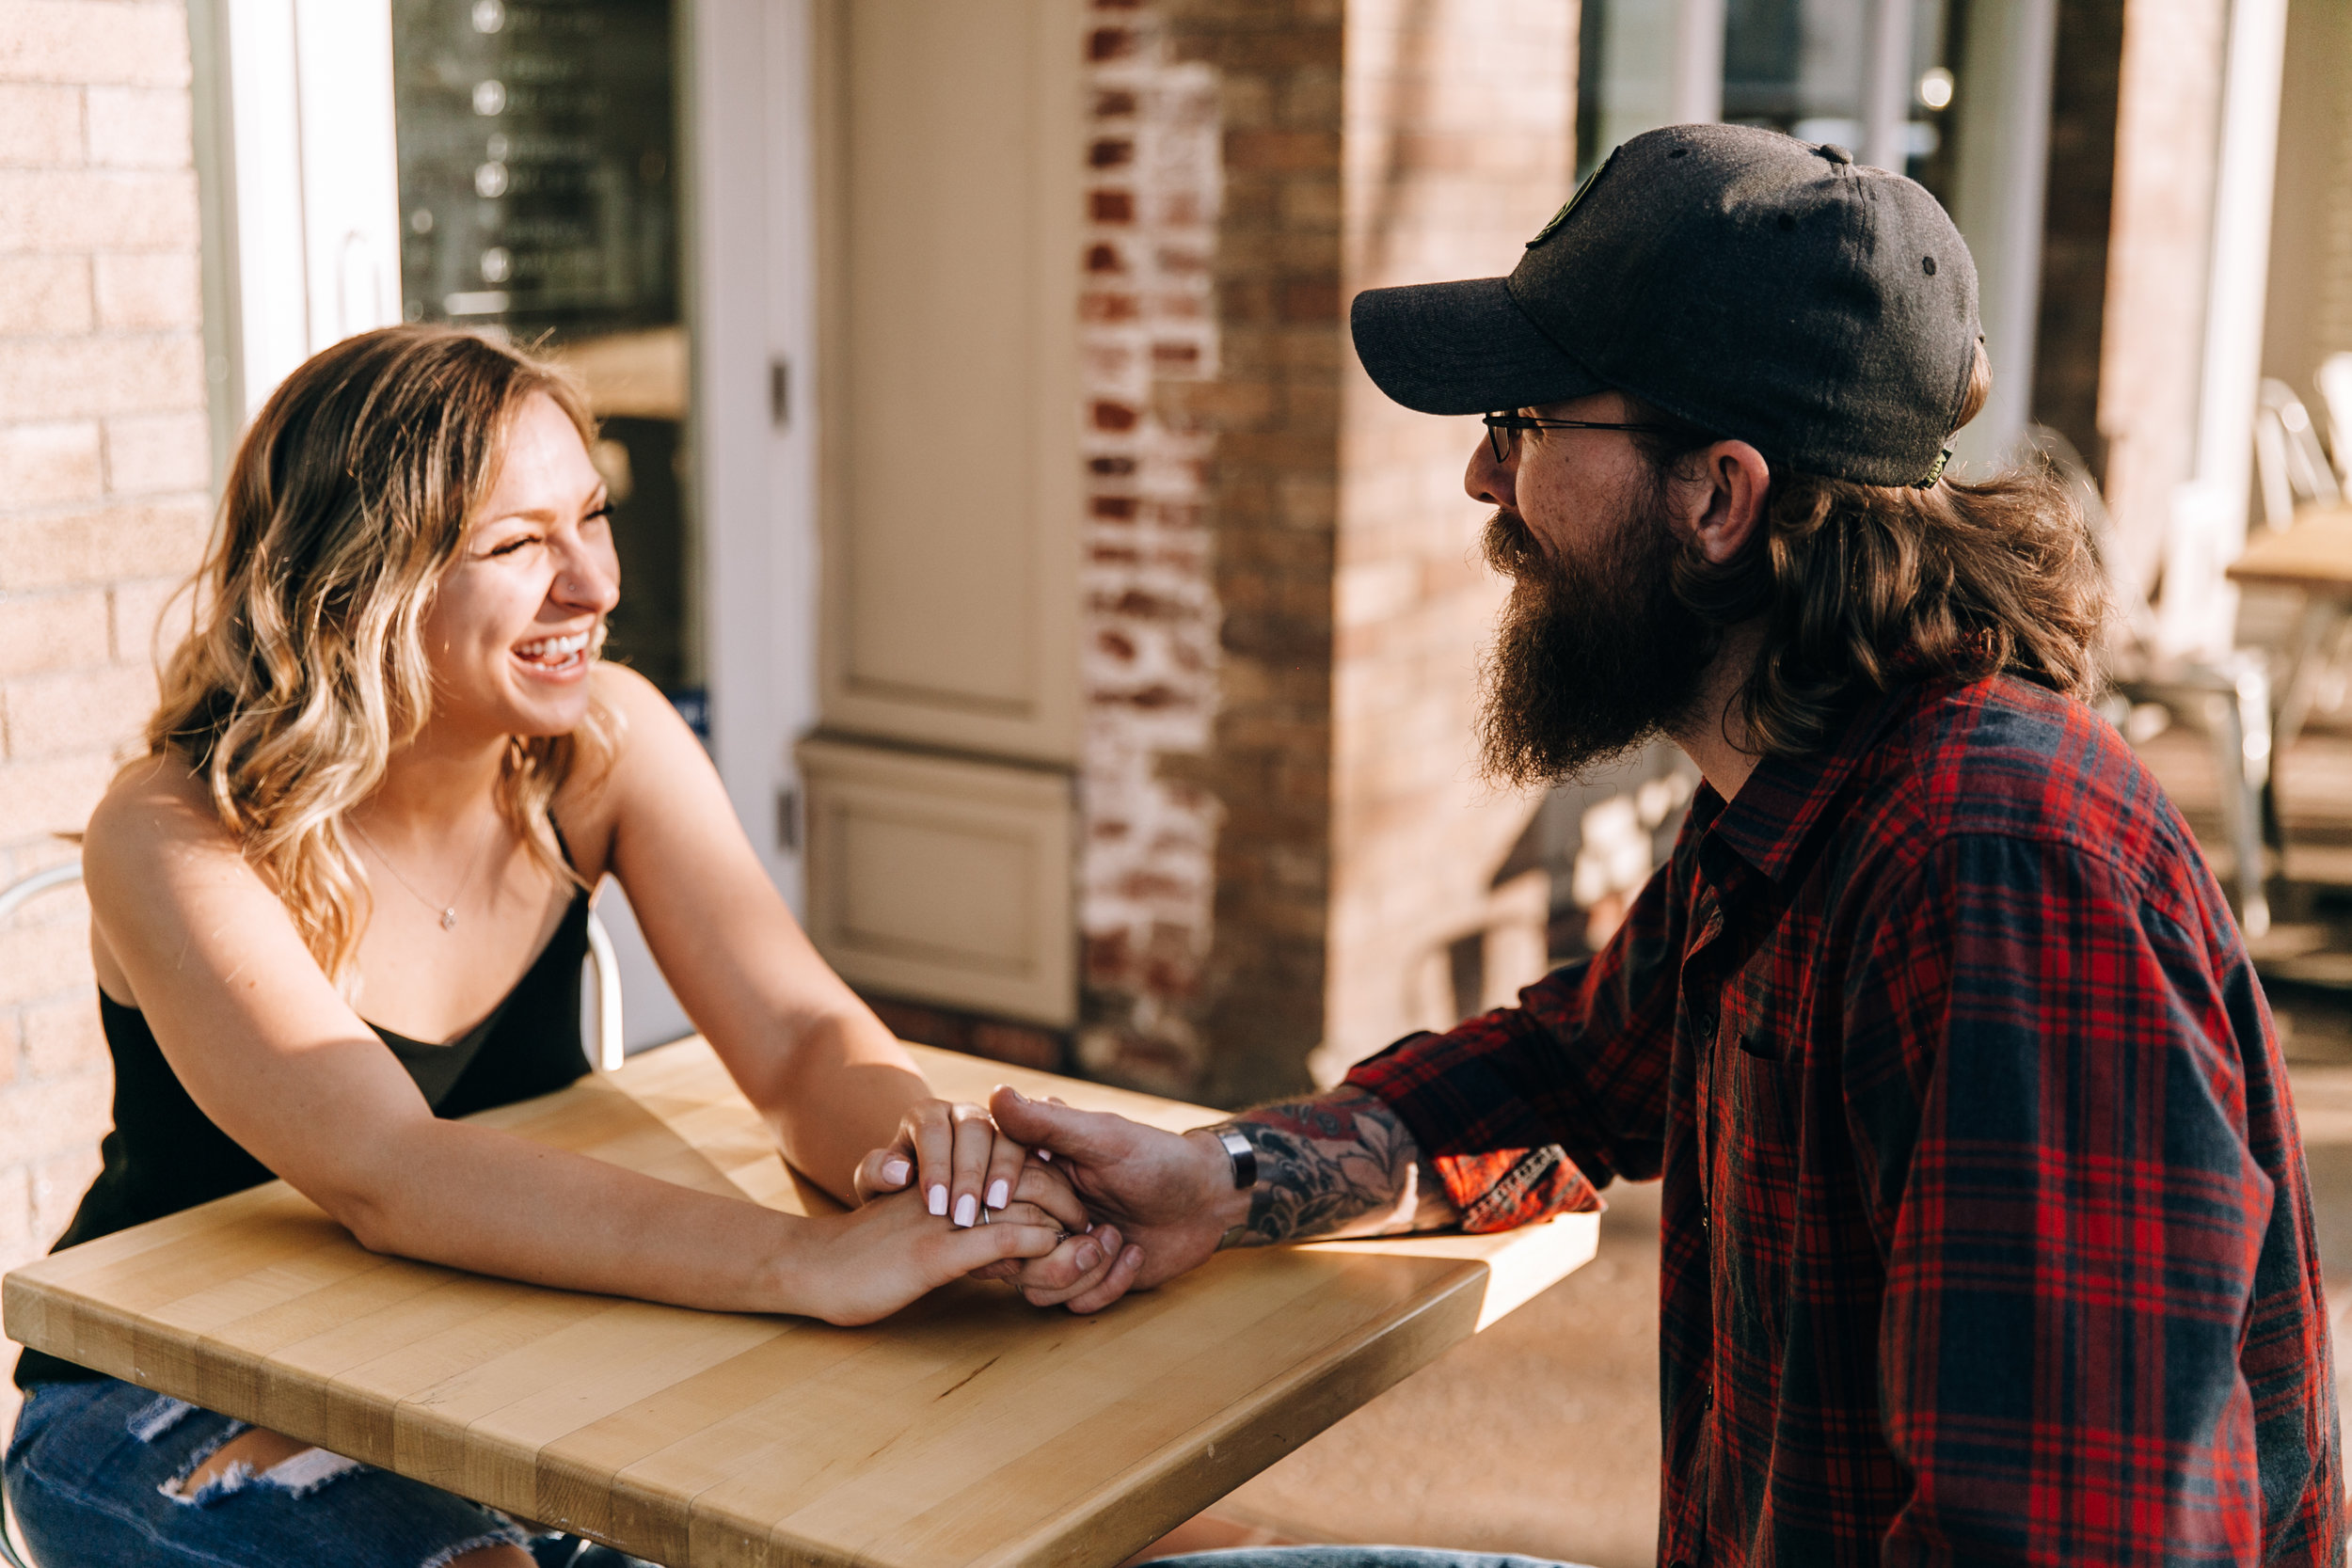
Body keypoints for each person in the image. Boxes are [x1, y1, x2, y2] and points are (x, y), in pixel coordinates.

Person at [993, 124, 2344, 1566]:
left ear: (1719, 498)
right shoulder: (1804, 786)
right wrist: (1232, 1176)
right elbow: (1573, 1077)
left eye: (1524, 427)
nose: (1480, 484)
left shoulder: (1997, 873)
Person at [3, 325, 1132, 1568]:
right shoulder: (173, 831)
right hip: (164, 1400)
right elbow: (390, 1171)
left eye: (590, 518)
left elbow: (802, 1036)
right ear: (356, 587)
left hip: (491, 1351)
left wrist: (932, 1180)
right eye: (516, 545)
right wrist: (806, 1261)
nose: (593, 585)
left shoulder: (605, 742)